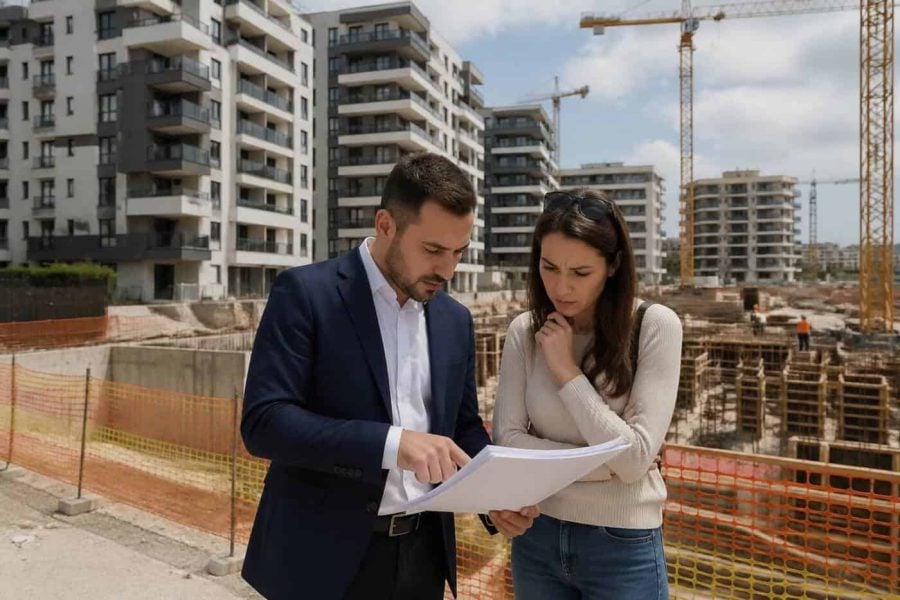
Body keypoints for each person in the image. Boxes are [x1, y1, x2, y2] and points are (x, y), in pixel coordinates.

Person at [240, 153, 537, 600]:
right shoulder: (305, 293)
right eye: (433, 250)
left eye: (458, 252)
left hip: (422, 557)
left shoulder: (454, 319)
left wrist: (492, 498)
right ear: (385, 225)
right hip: (320, 559)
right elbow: (265, 424)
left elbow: (462, 427)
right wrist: (393, 444)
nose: (447, 270)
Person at [493, 188, 683, 599]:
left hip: (622, 545)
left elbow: (633, 462)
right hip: (536, 536)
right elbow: (507, 441)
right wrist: (604, 464)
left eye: (581, 273)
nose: (561, 287)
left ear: (612, 266)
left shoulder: (655, 326)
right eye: (548, 268)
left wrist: (566, 370)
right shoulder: (524, 332)